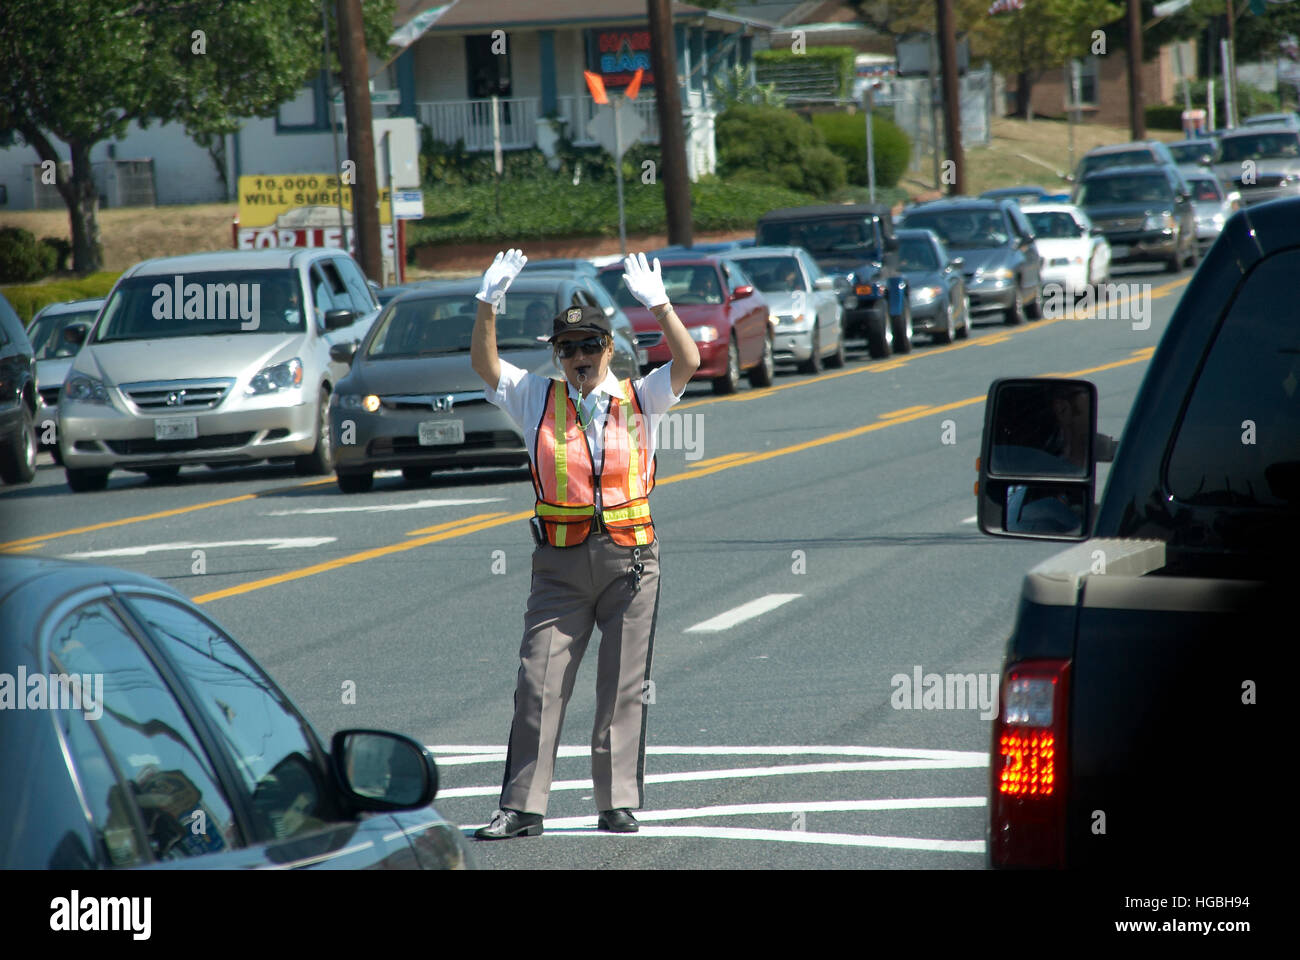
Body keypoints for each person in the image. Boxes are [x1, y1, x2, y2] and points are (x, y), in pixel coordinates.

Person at [468, 248, 701, 839]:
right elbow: (485, 365)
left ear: (609, 349)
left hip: (630, 561)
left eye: (589, 346)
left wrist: (661, 305)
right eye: (567, 348)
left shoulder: (641, 397)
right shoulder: (536, 399)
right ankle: (522, 807)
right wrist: (487, 304)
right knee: (537, 682)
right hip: (559, 564)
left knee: (622, 685)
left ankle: (616, 802)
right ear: (556, 355)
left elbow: (690, 360)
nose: (578, 357)